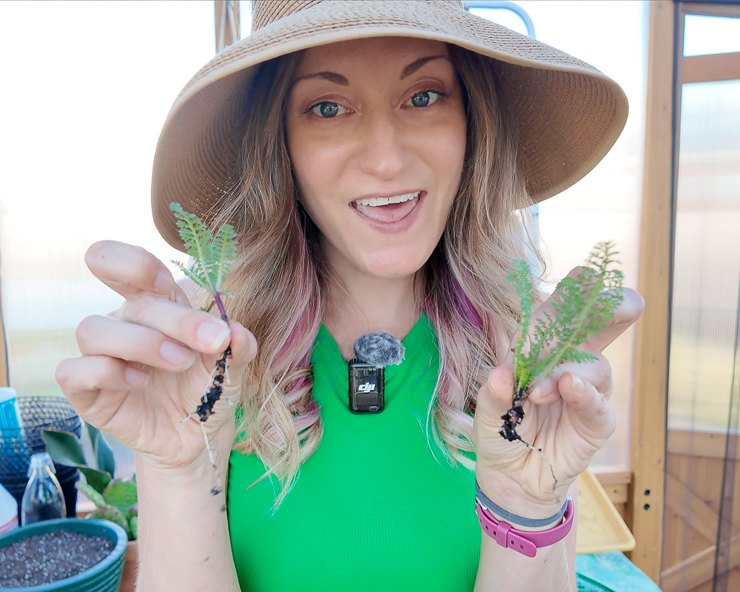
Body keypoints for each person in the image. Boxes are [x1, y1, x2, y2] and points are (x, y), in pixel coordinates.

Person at [56, 1, 644, 591]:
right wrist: (176, 466)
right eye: (328, 108)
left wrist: (525, 504)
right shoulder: (207, 352)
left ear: (473, 121)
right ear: (278, 141)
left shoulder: (526, 351)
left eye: (423, 96)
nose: (386, 160)